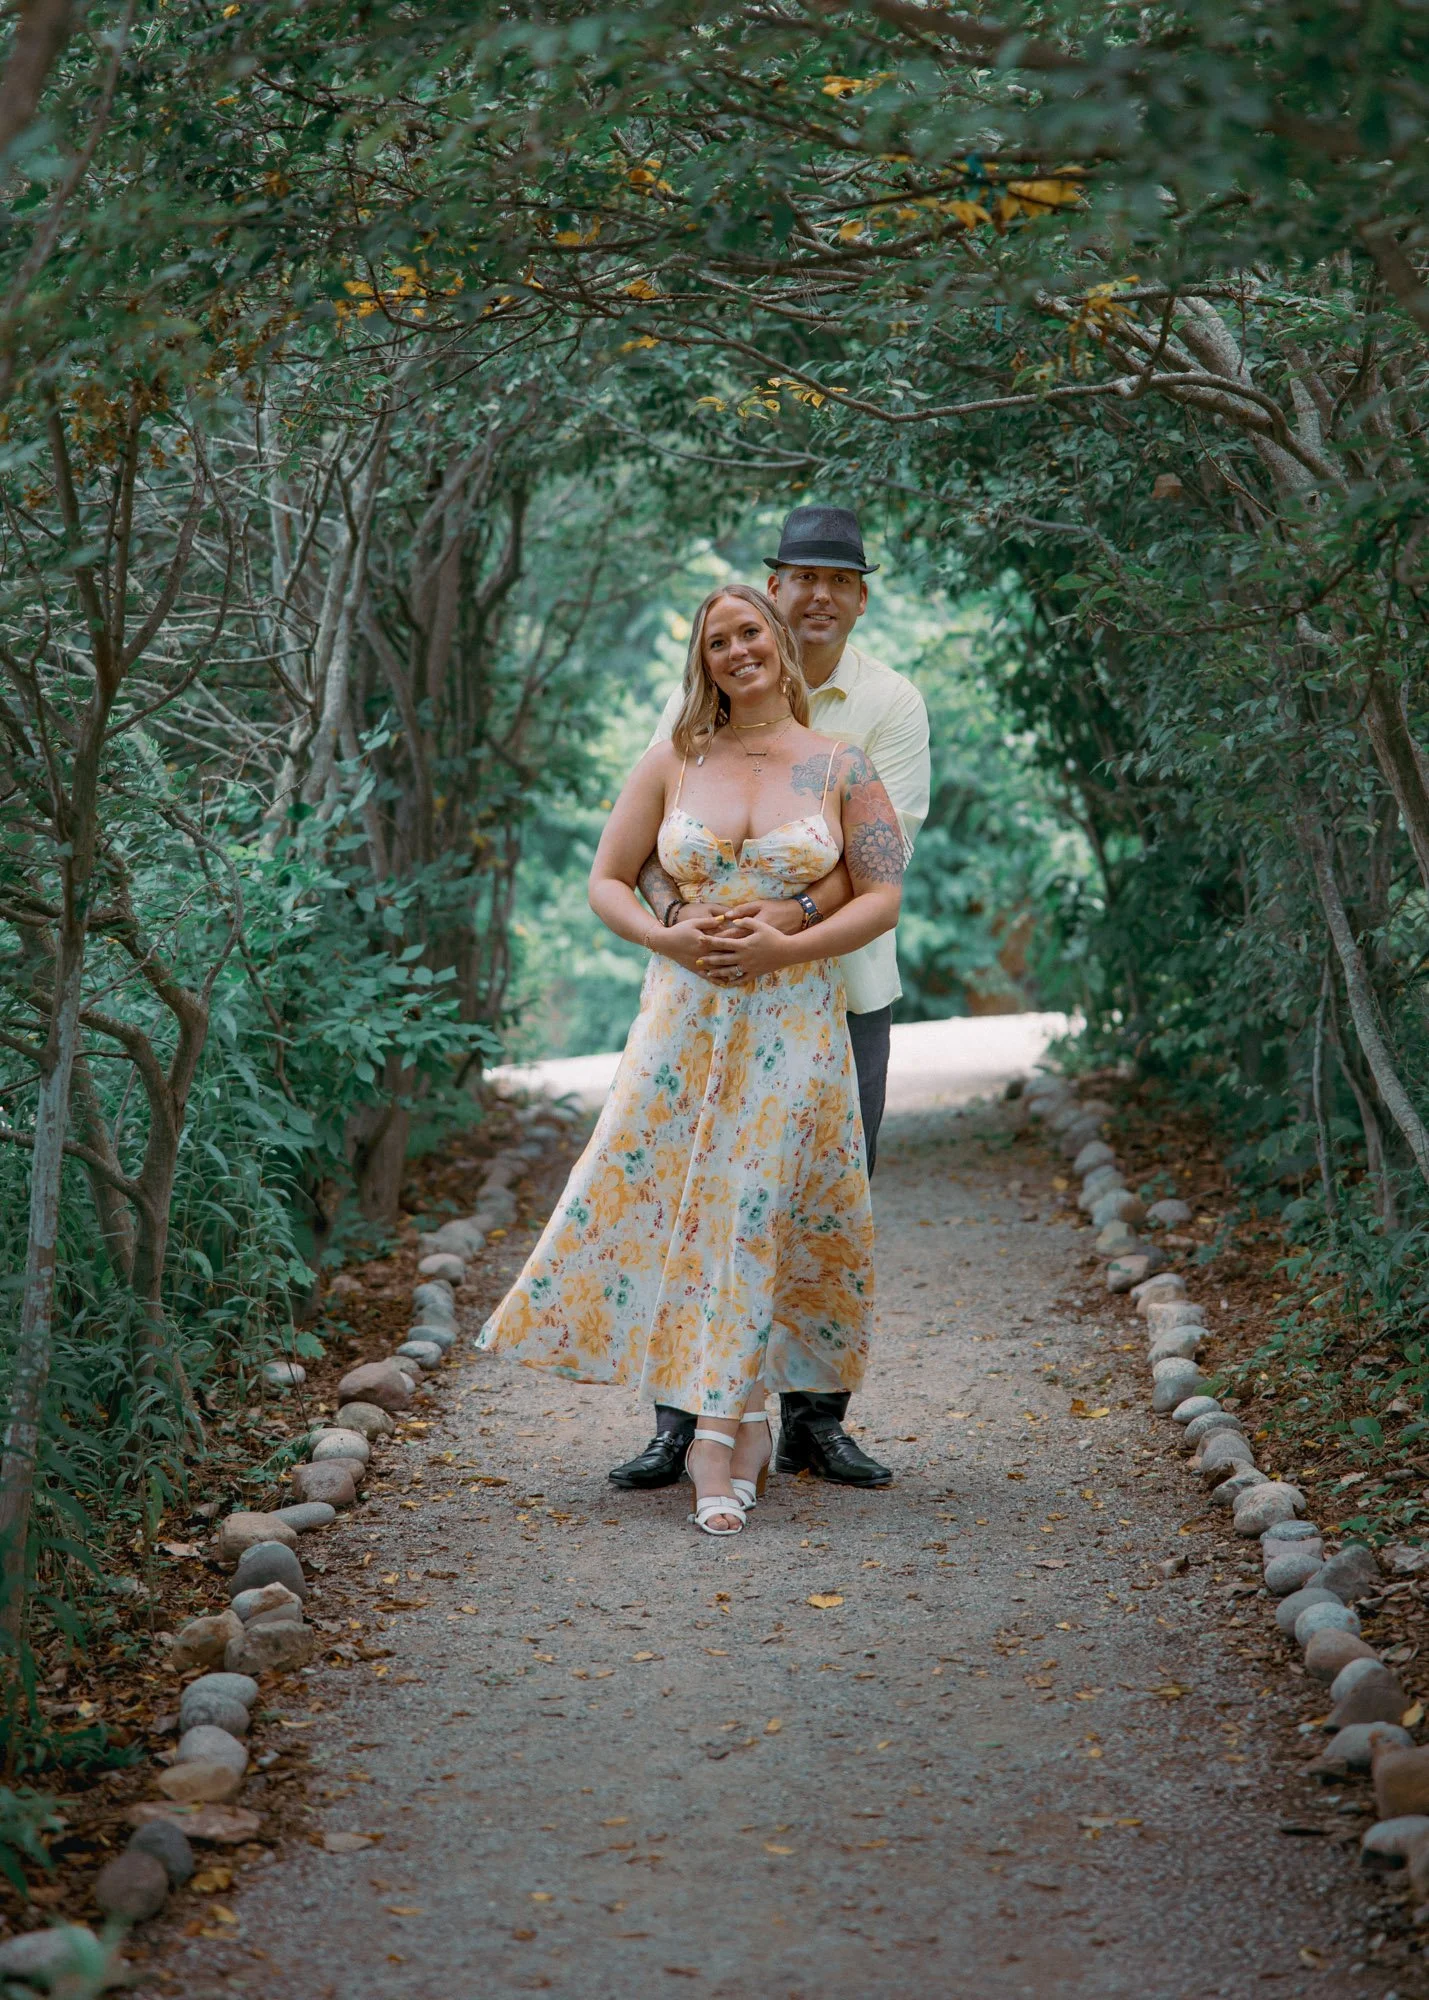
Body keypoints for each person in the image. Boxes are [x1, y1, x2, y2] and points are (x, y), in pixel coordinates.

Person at [477, 584, 904, 1536]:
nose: (737, 651)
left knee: (755, 1206)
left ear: (779, 645)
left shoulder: (840, 763)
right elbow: (605, 879)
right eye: (718, 641)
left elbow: (880, 895)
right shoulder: (673, 758)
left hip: (791, 1021)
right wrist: (667, 932)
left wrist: (788, 947)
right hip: (680, 1026)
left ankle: (723, 1433)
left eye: (749, 632)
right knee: (685, 1208)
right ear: (702, 661)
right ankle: (726, 1422)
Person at [610, 504, 931, 1493]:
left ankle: (813, 1422)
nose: (819, 595)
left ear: (861, 596)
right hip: (702, 996)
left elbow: (883, 853)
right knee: (692, 1191)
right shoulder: (696, 715)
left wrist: (784, 917)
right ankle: (681, 1418)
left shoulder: (886, 705)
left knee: (821, 1202)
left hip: (839, 994)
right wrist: (682, 916)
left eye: (840, 579)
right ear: (775, 585)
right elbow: (649, 850)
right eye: (801, 577)